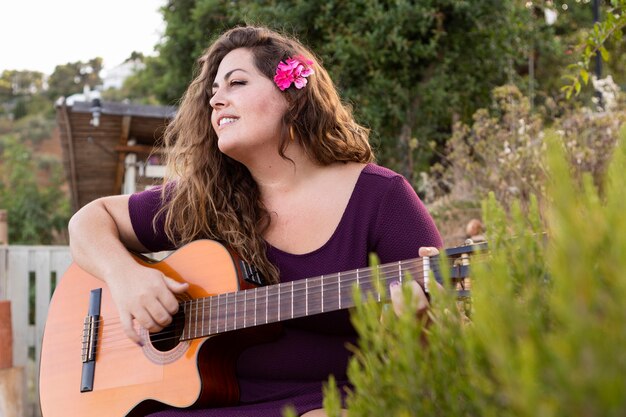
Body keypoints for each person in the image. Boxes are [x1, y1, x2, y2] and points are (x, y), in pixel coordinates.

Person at [68, 25, 443, 417]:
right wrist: (125, 277)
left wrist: (415, 330)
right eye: (213, 91)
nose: (216, 100)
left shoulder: (381, 198)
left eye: (236, 83)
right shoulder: (205, 197)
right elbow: (88, 221)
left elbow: (436, 362)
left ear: (293, 96)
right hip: (201, 404)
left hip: (325, 404)